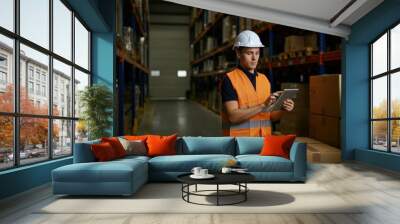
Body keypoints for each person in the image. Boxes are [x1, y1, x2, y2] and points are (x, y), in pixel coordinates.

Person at [221, 30, 295, 137]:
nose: (254, 58)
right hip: (239, 143)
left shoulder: (264, 80)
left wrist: (283, 109)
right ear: (238, 53)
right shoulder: (230, 80)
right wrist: (263, 105)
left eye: (257, 53)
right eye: (249, 53)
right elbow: (233, 117)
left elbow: (271, 117)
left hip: (263, 142)